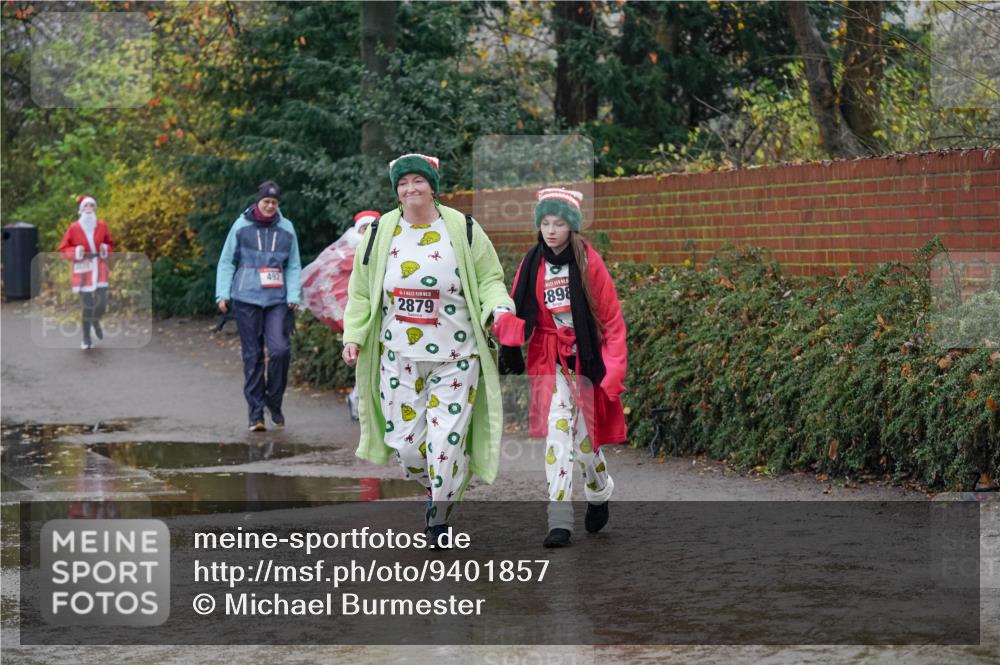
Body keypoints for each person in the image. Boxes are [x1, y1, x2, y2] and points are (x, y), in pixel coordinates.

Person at [341, 154, 514, 547]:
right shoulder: (380, 232)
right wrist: (353, 336)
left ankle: (439, 519)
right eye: (403, 184)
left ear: (433, 186)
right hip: (397, 358)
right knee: (406, 447)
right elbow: (362, 292)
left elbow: (489, 279)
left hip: (457, 357)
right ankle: (447, 478)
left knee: (445, 443)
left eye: (418, 181)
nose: (410, 189)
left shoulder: (464, 229)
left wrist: (499, 310)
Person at [492, 187, 628, 548]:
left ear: (573, 227)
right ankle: (560, 521)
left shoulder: (589, 263)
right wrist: (505, 334)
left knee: (585, 445)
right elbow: (516, 308)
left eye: (559, 223)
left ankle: (599, 490)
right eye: (545, 223)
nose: (551, 231)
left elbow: (612, 321)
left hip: (585, 358)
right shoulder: (531, 262)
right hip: (548, 358)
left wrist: (613, 368)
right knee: (558, 433)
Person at [215, 180, 302, 432]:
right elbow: (226, 261)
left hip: (277, 299)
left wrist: (293, 294)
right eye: (266, 202)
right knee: (252, 356)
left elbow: (294, 264)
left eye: (274, 203)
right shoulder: (241, 226)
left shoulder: (286, 228)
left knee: (280, 351)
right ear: (258, 202)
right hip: (246, 297)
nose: (270, 206)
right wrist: (223, 294)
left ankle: (273, 402)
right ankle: (255, 415)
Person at [301, 210, 380, 420]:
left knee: (377, 358)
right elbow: (329, 281)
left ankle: (365, 399)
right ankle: (359, 399)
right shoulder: (346, 255)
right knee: (364, 356)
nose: (367, 233)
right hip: (357, 315)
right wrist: (343, 314)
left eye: (371, 228)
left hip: (380, 313)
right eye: (364, 228)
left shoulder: (385, 251)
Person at [58, 195, 114, 350]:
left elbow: (110, 244)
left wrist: (105, 249)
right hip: (83, 270)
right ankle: (86, 338)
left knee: (102, 303)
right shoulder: (74, 227)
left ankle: (95, 320)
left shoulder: (102, 226)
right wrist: (75, 251)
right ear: (81, 210)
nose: (89, 209)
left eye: (92, 206)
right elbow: (63, 249)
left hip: (100, 267)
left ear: (95, 209)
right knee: (87, 306)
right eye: (86, 206)